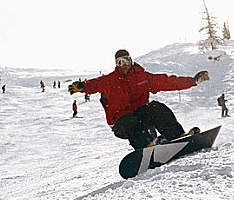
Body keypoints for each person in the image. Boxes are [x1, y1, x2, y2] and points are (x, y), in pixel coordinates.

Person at [68, 49, 209, 150]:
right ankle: (146, 146)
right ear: (116, 64)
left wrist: (192, 81)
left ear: (131, 60)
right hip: (120, 121)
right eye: (120, 62)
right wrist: (83, 86)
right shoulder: (111, 80)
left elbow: (167, 82)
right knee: (130, 121)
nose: (124, 65)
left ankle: (177, 136)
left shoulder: (143, 77)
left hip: (140, 115)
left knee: (156, 107)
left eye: (126, 60)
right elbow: (97, 83)